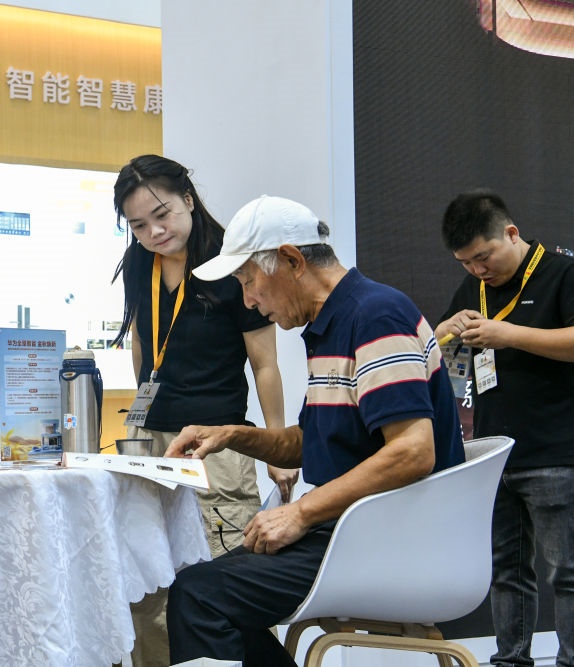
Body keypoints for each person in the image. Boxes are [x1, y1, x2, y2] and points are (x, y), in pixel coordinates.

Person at [163, 194, 465, 665]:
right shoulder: (334, 324)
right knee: (197, 589)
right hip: (355, 528)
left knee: (200, 595)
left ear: (292, 260)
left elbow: (412, 451)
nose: (248, 300)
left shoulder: (376, 316)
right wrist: (230, 435)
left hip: (390, 538)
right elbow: (308, 443)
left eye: (249, 281)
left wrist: (301, 513)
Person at [111, 155, 296, 666]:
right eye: (138, 225)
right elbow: (142, 342)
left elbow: (264, 364)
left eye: (162, 215)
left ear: (189, 200)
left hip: (216, 445)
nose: (154, 232)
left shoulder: (231, 263)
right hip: (153, 443)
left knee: (220, 577)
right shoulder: (139, 263)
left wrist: (277, 447)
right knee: (149, 583)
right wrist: (139, 416)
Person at [435, 189, 574, 667]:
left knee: (570, 572)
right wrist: (444, 331)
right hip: (495, 454)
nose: (478, 269)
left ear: (511, 233)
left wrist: (511, 335)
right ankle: (510, 660)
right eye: (465, 262)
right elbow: (438, 356)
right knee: (506, 571)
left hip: (557, 452)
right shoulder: (473, 290)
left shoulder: (565, 274)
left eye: (484, 256)